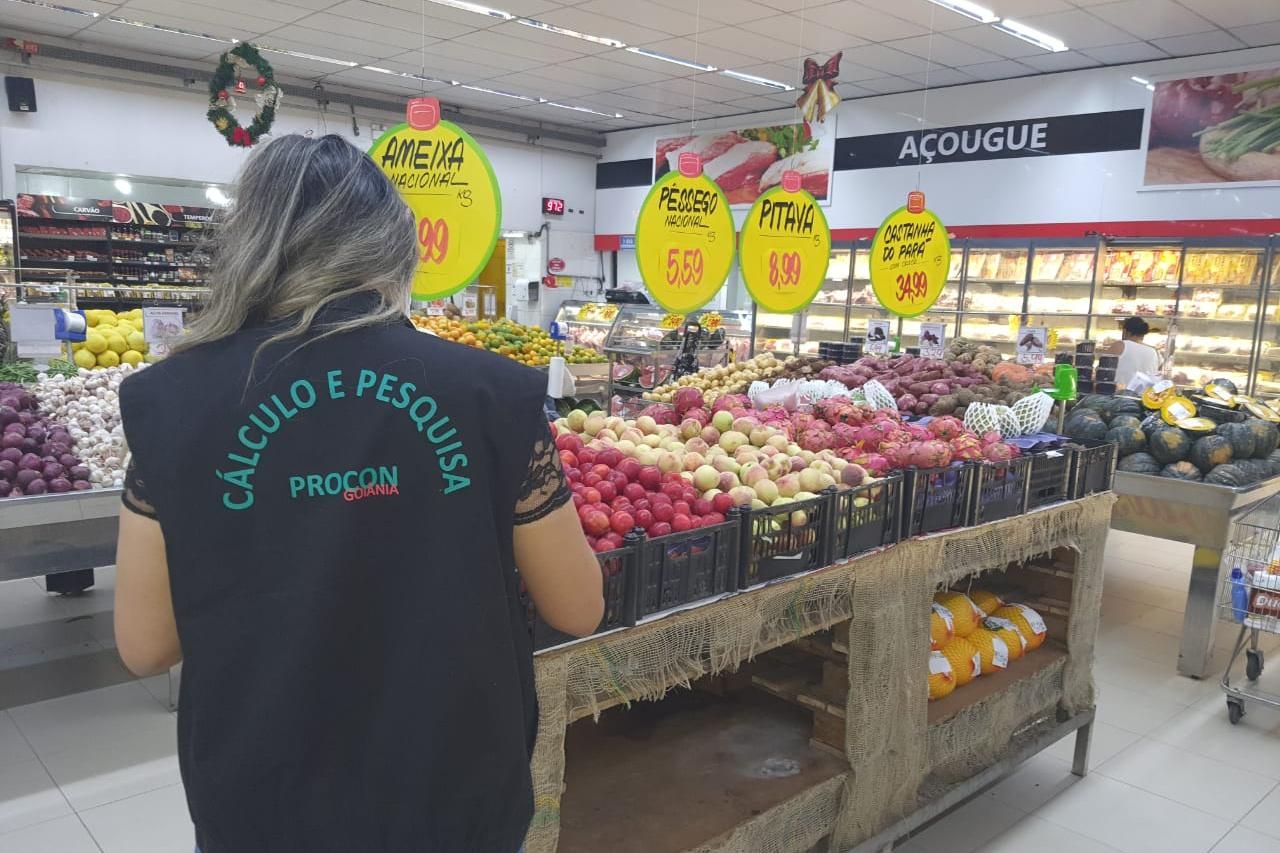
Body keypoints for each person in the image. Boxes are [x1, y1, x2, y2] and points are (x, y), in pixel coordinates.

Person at [112, 134, 604, 853]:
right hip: (450, 791)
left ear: (250, 244)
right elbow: (579, 605)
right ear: (395, 247)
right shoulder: (486, 392)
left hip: (264, 799)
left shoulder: (174, 403)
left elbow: (146, 644)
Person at [1105, 316, 1161, 388]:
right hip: (1144, 397)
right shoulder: (1154, 351)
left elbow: (1102, 371)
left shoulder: (1120, 345)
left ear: (1125, 331)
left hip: (1119, 395)